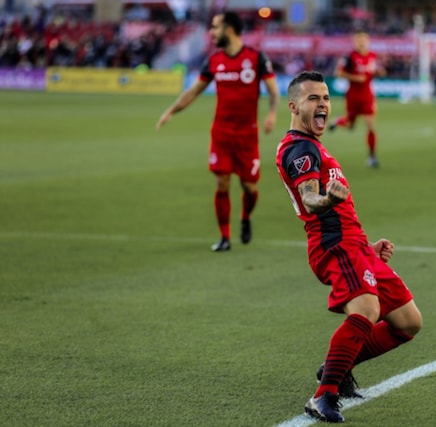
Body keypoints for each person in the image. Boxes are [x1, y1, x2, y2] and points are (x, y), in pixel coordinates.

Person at [276, 71, 422, 423]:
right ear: (294, 106)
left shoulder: (314, 144)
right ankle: (322, 395)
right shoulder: (300, 148)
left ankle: (336, 368)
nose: (323, 103)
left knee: (407, 323)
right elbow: (310, 200)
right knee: (366, 310)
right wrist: (327, 199)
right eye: (313, 98)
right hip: (334, 245)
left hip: (354, 246)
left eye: (326, 97)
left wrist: (367, 249)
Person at [156, 11, 279, 251]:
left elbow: (273, 90)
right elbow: (193, 91)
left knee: (249, 187)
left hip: (247, 135)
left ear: (229, 29)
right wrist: (171, 110)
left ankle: (245, 217)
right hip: (221, 133)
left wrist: (271, 114)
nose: (211, 32)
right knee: (221, 184)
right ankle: (224, 237)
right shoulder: (213, 61)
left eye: (215, 27)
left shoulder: (255, 58)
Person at [328, 29, 385, 168]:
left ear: (368, 41)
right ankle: (339, 121)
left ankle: (372, 157)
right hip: (353, 96)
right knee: (350, 126)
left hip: (367, 96)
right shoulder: (349, 57)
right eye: (359, 40)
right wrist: (355, 78)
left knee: (370, 126)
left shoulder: (373, 56)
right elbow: (338, 72)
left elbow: (379, 70)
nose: (362, 43)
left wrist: (380, 71)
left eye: (364, 40)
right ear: (354, 42)